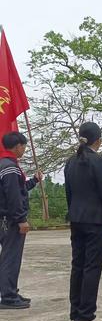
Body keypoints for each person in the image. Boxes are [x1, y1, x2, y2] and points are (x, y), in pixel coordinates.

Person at [64, 122, 102, 321]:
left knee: (77, 264)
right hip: (95, 220)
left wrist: (74, 213)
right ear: (98, 139)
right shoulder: (98, 161)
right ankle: (87, 314)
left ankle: (75, 311)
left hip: (76, 218)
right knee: (91, 266)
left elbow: (69, 193)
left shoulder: (70, 161)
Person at [0, 132, 42, 309]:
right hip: (9, 219)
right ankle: (8, 296)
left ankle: (10, 291)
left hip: (6, 218)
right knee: (11, 257)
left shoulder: (6, 165)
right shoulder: (9, 167)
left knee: (8, 257)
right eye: (23, 146)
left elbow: (20, 189)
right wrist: (21, 219)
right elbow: (14, 196)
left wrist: (34, 181)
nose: (24, 150)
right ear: (18, 146)